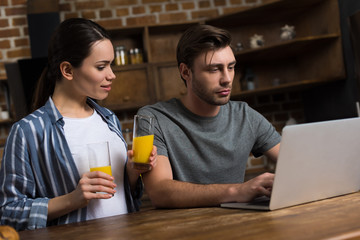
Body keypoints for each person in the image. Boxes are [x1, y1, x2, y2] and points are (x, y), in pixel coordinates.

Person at [0, 18, 157, 231]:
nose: (112, 75)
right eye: (101, 66)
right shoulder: (28, 131)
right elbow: (9, 212)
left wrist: (132, 170)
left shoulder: (109, 119)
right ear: (67, 70)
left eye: (111, 65)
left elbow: (120, 196)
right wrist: (72, 199)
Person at [137, 24, 281, 208]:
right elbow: (160, 192)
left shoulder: (245, 116)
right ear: (185, 72)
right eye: (214, 69)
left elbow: (297, 162)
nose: (227, 78)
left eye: (231, 67)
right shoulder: (153, 118)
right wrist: (237, 191)